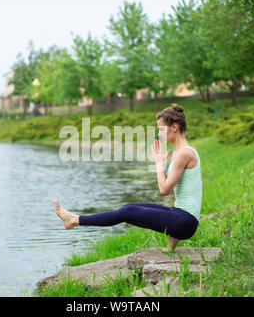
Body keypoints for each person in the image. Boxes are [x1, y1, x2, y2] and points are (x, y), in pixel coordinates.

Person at [54, 103, 202, 253]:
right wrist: (171, 248)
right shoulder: (182, 152)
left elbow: (164, 190)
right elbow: (179, 197)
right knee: (128, 208)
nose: (159, 134)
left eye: (161, 129)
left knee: (127, 213)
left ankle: (74, 220)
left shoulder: (183, 154)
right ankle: (73, 220)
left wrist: (158, 163)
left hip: (185, 221)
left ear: (174, 127)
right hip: (182, 217)